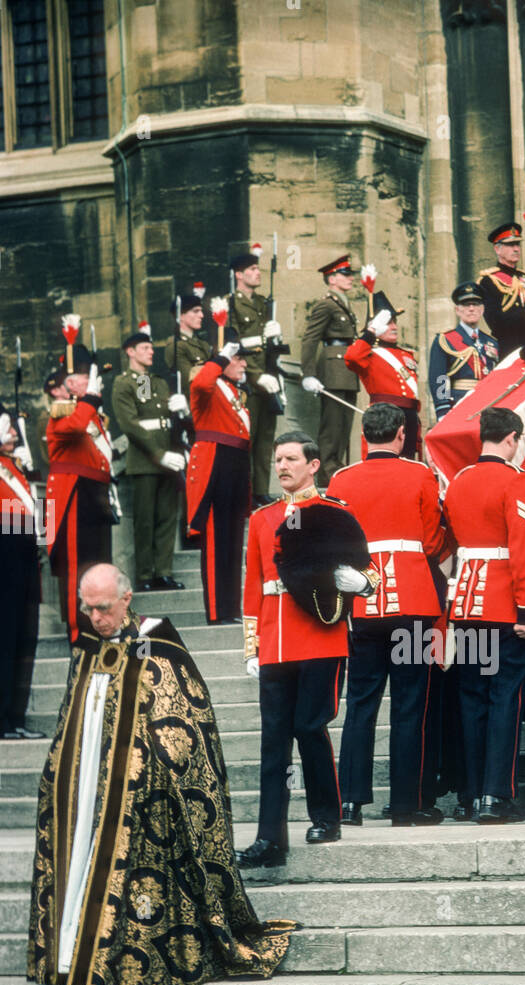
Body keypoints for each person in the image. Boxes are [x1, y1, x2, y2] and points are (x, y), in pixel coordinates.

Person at [27, 562, 294, 985]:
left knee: (131, 895)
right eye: (87, 609)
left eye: (103, 608)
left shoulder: (157, 643)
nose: (95, 618)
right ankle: (72, 963)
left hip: (146, 801)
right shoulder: (86, 648)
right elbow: (73, 720)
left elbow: (183, 721)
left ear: (126, 600)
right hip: (88, 799)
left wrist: (150, 765)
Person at [239, 431, 378, 860]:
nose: (282, 466)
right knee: (272, 742)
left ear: (313, 465)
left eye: (291, 459)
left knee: (308, 728)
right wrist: (251, 645)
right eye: (277, 459)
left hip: (320, 636)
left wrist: (360, 584)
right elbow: (254, 585)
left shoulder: (333, 512)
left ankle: (325, 817)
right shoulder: (262, 518)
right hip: (277, 642)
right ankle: (270, 837)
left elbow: (370, 570)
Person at [326, 403, 450, 826]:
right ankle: (406, 804)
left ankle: (349, 802)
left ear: (365, 435)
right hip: (413, 602)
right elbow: (433, 542)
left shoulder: (341, 479)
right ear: (401, 434)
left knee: (360, 703)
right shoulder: (419, 474)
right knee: (410, 705)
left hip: (363, 604)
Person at [442, 405, 525, 824]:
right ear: (512, 439)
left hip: (464, 601)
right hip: (502, 604)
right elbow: (522, 548)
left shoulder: (459, 480)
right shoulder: (516, 480)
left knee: (472, 701)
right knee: (503, 700)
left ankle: (469, 793)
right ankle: (495, 795)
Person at [45, 347, 117, 643]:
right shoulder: (63, 411)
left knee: (99, 562)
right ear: (69, 383)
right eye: (84, 376)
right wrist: (89, 400)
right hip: (73, 494)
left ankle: (100, 625)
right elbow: (73, 428)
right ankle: (80, 629)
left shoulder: (89, 410)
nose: (90, 380)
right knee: (77, 565)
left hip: (94, 492)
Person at [111, 329, 186, 594]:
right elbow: (132, 425)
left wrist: (181, 412)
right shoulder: (124, 383)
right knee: (145, 520)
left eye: (151, 347)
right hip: (145, 461)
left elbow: (157, 417)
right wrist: (158, 454)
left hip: (168, 459)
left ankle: (162, 572)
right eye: (144, 348)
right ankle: (144, 574)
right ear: (130, 352)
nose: (151, 351)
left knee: (167, 517)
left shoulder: (155, 382)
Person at [187, 332, 252, 624]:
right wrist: (222, 356)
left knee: (233, 539)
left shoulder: (235, 392)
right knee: (215, 540)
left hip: (235, 464)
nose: (244, 364)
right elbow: (202, 381)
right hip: (215, 466)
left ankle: (231, 608)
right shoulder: (209, 386)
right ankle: (216, 610)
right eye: (238, 358)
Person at [0, 409, 44, 738]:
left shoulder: (14, 466)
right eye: (8, 427)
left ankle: (16, 715)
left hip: (24, 554)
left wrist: (46, 532)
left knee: (24, 639)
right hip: (6, 556)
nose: (13, 432)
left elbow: (34, 509)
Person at [228, 249, 282, 505]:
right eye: (251, 269)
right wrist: (256, 375)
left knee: (265, 439)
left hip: (268, 377)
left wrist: (275, 338)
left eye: (258, 269)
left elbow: (269, 346)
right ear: (238, 274)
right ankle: (246, 491)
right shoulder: (232, 304)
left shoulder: (262, 303)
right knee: (248, 437)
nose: (257, 272)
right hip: (247, 381)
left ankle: (260, 490)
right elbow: (234, 347)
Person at [299, 255, 360, 486]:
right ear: (332, 278)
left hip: (347, 370)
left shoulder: (343, 303)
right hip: (333, 369)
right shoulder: (326, 304)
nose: (350, 278)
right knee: (332, 427)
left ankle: (337, 468)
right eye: (345, 274)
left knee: (344, 425)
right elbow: (310, 339)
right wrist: (309, 373)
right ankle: (327, 472)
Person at [344, 290, 422, 458]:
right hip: (385, 415)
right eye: (388, 323)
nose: (394, 327)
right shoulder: (369, 353)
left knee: (408, 462)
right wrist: (370, 333)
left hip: (410, 415)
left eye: (395, 322)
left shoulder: (406, 354)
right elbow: (351, 357)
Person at [476, 222, 525, 358]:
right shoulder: (488, 281)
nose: (516, 249)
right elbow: (496, 323)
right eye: (510, 245)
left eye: (517, 244)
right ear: (497, 249)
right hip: (511, 348)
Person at [428, 282, 499, 420]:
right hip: (459, 404)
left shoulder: (491, 342)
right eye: (466, 305)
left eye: (476, 304)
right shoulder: (445, 340)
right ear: (457, 310)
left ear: (482, 309)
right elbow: (439, 378)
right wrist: (442, 409)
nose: (471, 309)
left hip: (488, 405)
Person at [164, 291, 212, 384]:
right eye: (195, 311)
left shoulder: (202, 343)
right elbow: (190, 381)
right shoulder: (176, 345)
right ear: (181, 316)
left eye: (201, 311)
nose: (201, 315)